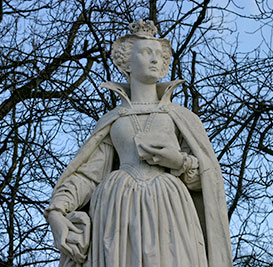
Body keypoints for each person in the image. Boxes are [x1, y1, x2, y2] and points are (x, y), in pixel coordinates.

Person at [45, 20, 233, 267]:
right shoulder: (113, 119)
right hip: (118, 211)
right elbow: (89, 175)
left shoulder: (181, 117)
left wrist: (178, 162)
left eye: (158, 55)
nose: (154, 59)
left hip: (170, 210)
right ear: (126, 63)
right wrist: (57, 210)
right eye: (146, 53)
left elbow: (208, 179)